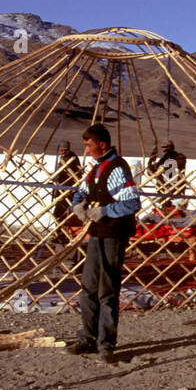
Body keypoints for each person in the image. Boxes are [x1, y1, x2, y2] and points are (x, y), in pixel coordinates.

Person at [67, 124, 141, 362]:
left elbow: (131, 203)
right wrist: (77, 205)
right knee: (89, 286)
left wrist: (104, 211)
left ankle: (106, 344)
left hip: (113, 235)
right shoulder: (96, 170)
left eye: (89, 145)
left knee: (107, 290)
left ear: (102, 144)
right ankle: (87, 337)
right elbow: (81, 191)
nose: (86, 150)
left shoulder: (117, 168)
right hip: (98, 234)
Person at [51, 141, 82, 244]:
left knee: (59, 215)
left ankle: (62, 236)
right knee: (62, 215)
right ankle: (61, 235)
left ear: (63, 150)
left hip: (67, 193)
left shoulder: (69, 158)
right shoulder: (69, 158)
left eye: (60, 149)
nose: (59, 152)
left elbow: (66, 174)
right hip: (65, 192)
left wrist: (56, 176)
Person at [146, 139, 187, 209]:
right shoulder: (162, 160)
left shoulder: (179, 157)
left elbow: (175, 165)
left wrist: (163, 167)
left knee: (176, 208)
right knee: (165, 207)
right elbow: (151, 172)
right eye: (163, 147)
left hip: (175, 187)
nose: (164, 149)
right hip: (163, 188)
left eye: (166, 147)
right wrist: (151, 161)